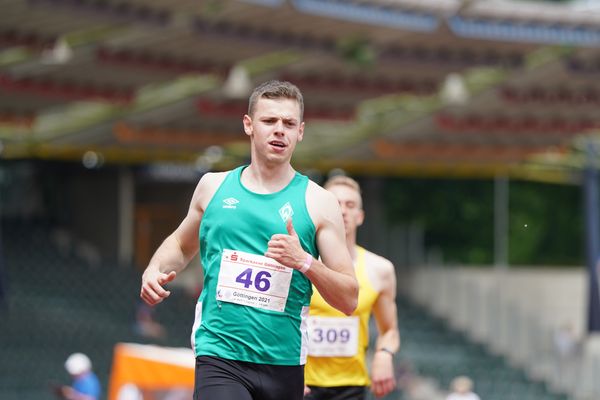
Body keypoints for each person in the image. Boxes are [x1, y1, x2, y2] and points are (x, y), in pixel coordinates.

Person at [140, 80, 358, 400]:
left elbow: (349, 299)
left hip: (284, 361)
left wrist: (305, 261)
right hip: (220, 353)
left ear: (300, 131)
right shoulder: (213, 187)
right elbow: (182, 244)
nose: (279, 130)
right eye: (269, 121)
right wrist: (154, 269)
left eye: (288, 123)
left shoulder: (319, 203)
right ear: (249, 125)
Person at [304, 175, 400, 400]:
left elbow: (390, 331)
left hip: (352, 388)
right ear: (322, 209)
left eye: (350, 205)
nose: (343, 211)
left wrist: (384, 355)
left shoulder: (380, 269)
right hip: (301, 383)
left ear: (360, 216)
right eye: (336, 204)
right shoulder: (302, 262)